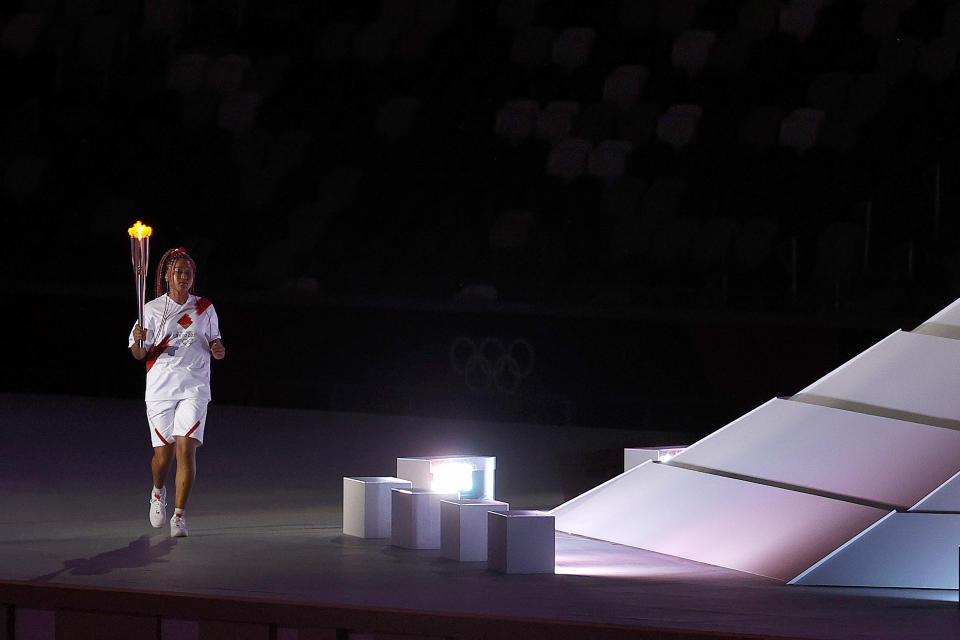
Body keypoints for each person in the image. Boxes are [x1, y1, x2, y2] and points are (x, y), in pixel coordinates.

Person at [129, 247, 225, 537]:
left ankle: (180, 516)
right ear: (168, 276)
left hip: (194, 386)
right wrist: (138, 340)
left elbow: (216, 343)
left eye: (188, 272)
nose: (183, 276)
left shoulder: (204, 308)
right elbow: (137, 354)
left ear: (193, 277)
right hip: (160, 389)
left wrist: (218, 350)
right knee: (164, 456)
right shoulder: (151, 309)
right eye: (178, 271)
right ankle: (158, 491)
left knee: (186, 449)